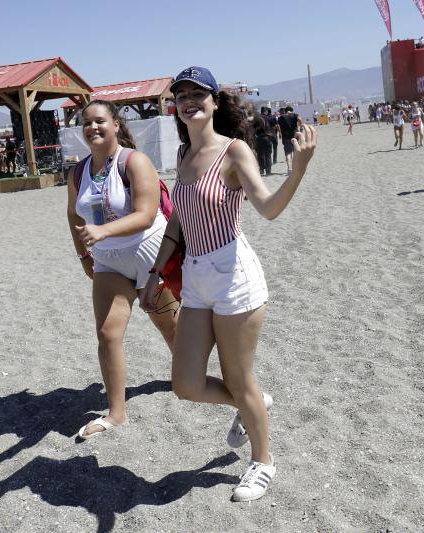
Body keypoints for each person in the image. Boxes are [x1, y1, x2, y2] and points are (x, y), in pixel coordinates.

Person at [140, 66, 317, 503]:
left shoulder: (234, 151)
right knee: (185, 383)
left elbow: (269, 208)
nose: (188, 100)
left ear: (215, 102)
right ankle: (252, 404)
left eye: (198, 93)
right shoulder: (183, 155)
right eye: (181, 95)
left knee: (240, 380)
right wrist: (155, 273)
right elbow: (179, 220)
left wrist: (297, 171)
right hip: (197, 277)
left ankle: (263, 461)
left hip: (234, 274)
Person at [68, 99, 178, 440]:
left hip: (151, 255)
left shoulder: (134, 161)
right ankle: (116, 413)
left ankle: (190, 378)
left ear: (116, 124)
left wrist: (101, 232)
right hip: (108, 261)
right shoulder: (77, 171)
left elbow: (146, 214)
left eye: (100, 121)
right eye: (86, 123)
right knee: (108, 334)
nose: (93, 128)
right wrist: (85, 257)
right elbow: (74, 216)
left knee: (170, 328)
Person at [277, 106, 302, 175]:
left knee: (288, 153)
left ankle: (289, 169)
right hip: (295, 136)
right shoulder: (294, 115)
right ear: (291, 110)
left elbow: (278, 126)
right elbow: (299, 119)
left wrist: (280, 133)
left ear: (285, 110)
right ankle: (296, 168)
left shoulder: (281, 117)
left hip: (286, 137)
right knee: (295, 151)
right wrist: (301, 128)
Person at [254, 107, 274, 176]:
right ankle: (268, 171)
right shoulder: (270, 117)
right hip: (267, 137)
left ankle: (261, 170)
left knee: (260, 155)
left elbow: (253, 128)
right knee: (268, 155)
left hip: (258, 138)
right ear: (266, 111)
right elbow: (274, 126)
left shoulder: (256, 118)